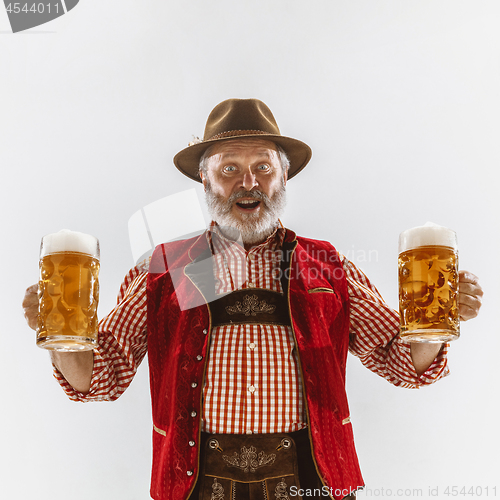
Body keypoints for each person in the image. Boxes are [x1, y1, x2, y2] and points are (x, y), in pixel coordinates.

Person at [23, 99, 483, 500]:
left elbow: (403, 363)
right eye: (229, 169)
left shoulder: (327, 265)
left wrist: (438, 322)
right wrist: (62, 333)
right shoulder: (165, 268)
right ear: (205, 182)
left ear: (285, 177)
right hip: (196, 487)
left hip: (310, 483)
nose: (249, 182)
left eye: (263, 167)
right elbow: (99, 378)